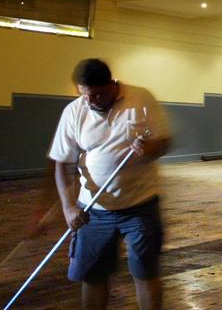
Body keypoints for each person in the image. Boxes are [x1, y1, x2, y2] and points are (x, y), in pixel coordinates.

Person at [49, 58, 171, 310]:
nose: (90, 101)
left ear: (111, 84)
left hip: (140, 205)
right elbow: (62, 163)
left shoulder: (141, 99)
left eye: (97, 95)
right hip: (94, 211)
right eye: (84, 95)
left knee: (145, 273)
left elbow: (163, 143)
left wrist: (150, 148)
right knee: (93, 276)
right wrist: (68, 208)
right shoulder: (74, 112)